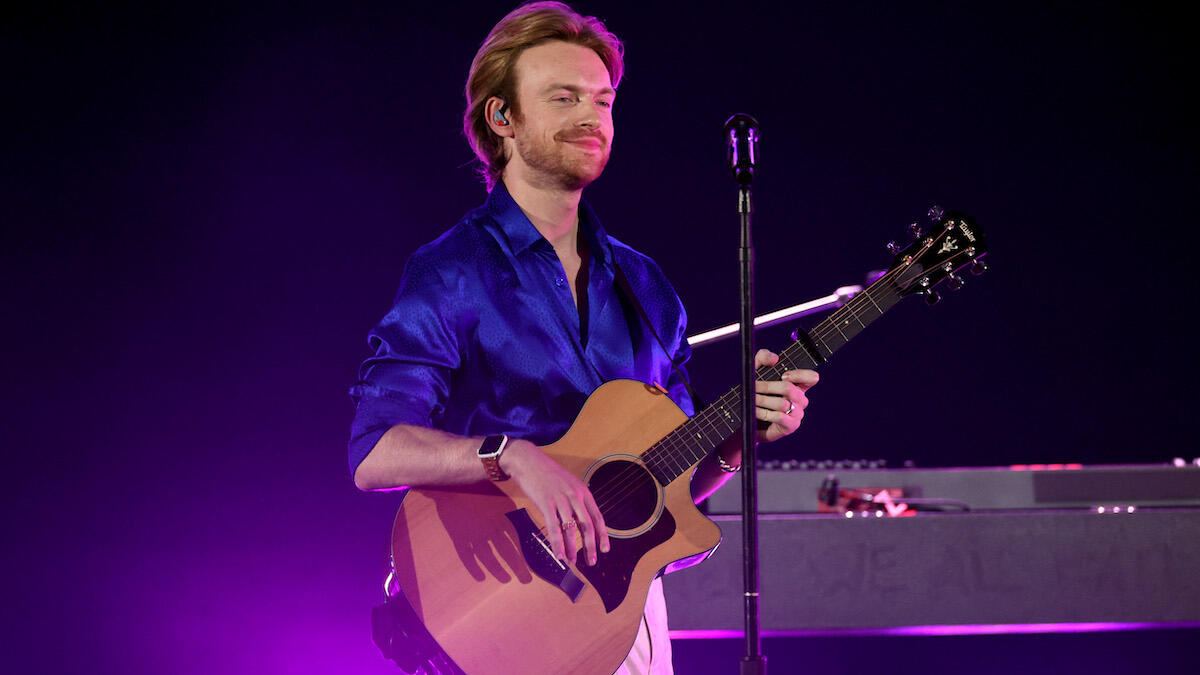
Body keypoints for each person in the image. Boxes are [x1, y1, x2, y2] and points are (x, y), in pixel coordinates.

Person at [348, 3, 819, 673]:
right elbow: (374, 452)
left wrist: (740, 438)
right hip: (497, 610)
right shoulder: (452, 271)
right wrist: (511, 455)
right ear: (502, 118)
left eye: (603, 100)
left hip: (621, 619)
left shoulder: (645, 283)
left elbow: (670, 488)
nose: (592, 116)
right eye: (564, 97)